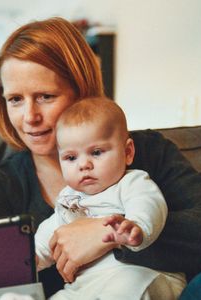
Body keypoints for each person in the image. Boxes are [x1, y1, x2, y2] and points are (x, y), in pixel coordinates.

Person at [0, 17, 201, 298]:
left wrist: (108, 235)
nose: (30, 117)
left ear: (81, 91)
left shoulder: (146, 152)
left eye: (45, 96)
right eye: (15, 99)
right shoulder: (2, 186)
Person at [34, 96, 185, 299]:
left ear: (128, 152)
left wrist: (136, 227)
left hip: (141, 274)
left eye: (96, 152)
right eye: (71, 157)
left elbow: (149, 205)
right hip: (86, 286)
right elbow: (51, 235)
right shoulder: (68, 199)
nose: (83, 165)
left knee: (125, 288)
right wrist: (31, 257)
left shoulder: (131, 183)